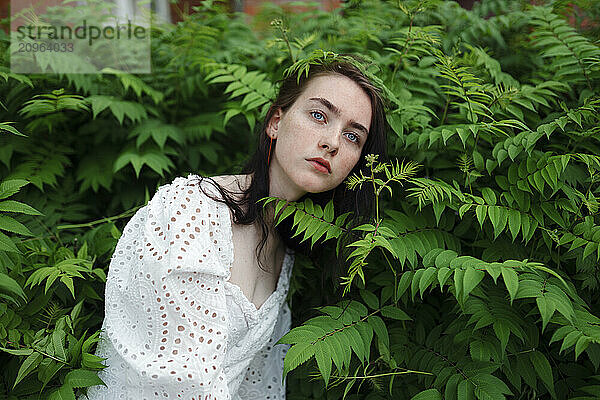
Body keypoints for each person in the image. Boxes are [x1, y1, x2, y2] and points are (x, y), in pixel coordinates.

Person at [83, 55, 388, 400]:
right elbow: (181, 381)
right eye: (319, 115)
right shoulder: (191, 211)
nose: (332, 142)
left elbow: (256, 384)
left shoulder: (284, 250)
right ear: (276, 121)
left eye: (352, 136)